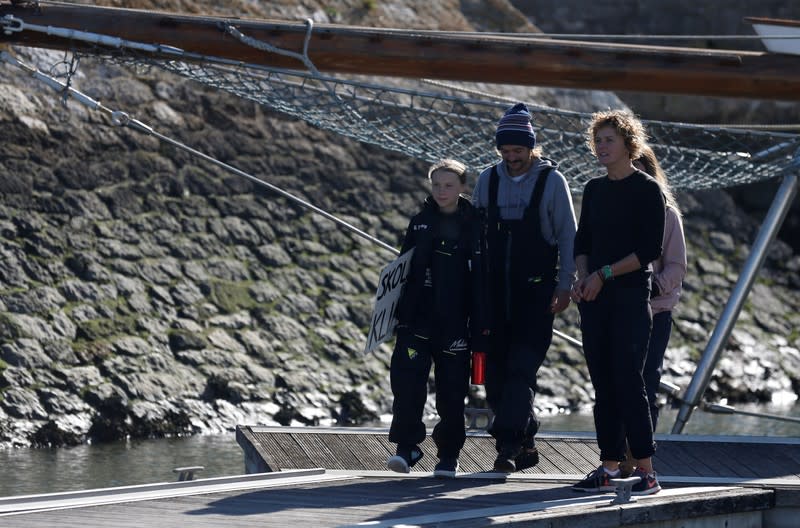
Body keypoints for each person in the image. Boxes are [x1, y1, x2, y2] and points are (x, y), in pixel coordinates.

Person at [472, 102, 577, 473]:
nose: (512, 158)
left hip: (537, 295)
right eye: (506, 151)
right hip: (494, 295)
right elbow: (476, 235)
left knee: (521, 370)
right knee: (495, 377)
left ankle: (508, 448)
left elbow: (568, 237)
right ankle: (526, 436)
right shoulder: (487, 179)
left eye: (518, 151)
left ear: (532, 148)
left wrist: (565, 286)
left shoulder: (553, 182)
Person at [570, 109, 665, 496]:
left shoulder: (647, 189)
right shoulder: (594, 189)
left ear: (629, 144)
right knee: (602, 385)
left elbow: (648, 251)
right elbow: (583, 242)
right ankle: (608, 466)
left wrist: (603, 275)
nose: (601, 147)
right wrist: (582, 277)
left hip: (628, 299)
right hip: (594, 300)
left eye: (609, 140)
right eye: (598, 140)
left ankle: (646, 470)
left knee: (629, 381)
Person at [387, 158, 486, 478]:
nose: (442, 191)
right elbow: (400, 272)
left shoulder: (475, 224)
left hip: (457, 323)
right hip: (416, 321)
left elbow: (485, 276)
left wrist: (482, 324)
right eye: (436, 185)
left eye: (449, 185)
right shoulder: (419, 221)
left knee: (452, 392)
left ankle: (448, 455)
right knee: (406, 385)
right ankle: (407, 448)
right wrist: (394, 315)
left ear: (461, 188)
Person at [634, 145, 687, 431]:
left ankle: (644, 457)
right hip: (618, 309)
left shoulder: (669, 216)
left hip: (656, 313)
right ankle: (616, 454)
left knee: (646, 383)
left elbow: (677, 266)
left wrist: (652, 288)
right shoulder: (612, 210)